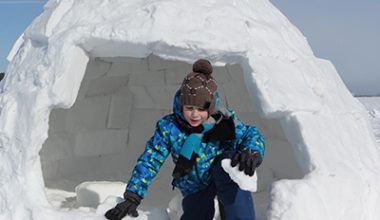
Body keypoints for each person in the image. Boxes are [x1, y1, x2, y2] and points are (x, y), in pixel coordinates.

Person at [105, 59, 265, 220]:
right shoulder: (169, 127)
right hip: (194, 184)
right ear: (181, 105)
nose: (195, 115)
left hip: (224, 174)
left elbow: (250, 134)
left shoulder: (223, 120)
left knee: (231, 164)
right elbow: (150, 160)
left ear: (210, 108)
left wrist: (251, 151)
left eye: (201, 109)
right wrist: (133, 196)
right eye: (190, 108)